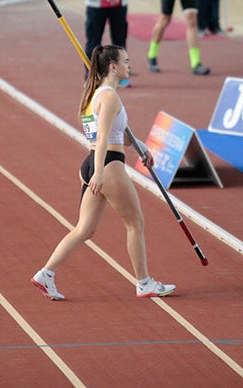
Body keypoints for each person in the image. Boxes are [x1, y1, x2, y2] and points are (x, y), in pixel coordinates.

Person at [32, 45, 176, 300]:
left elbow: (119, 134)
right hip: (107, 164)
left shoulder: (94, 96)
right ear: (113, 67)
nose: (130, 66)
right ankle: (144, 283)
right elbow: (102, 139)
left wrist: (141, 146)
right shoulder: (109, 97)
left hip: (93, 163)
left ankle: (46, 274)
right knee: (135, 223)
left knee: (84, 230)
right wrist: (99, 173)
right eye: (126, 61)